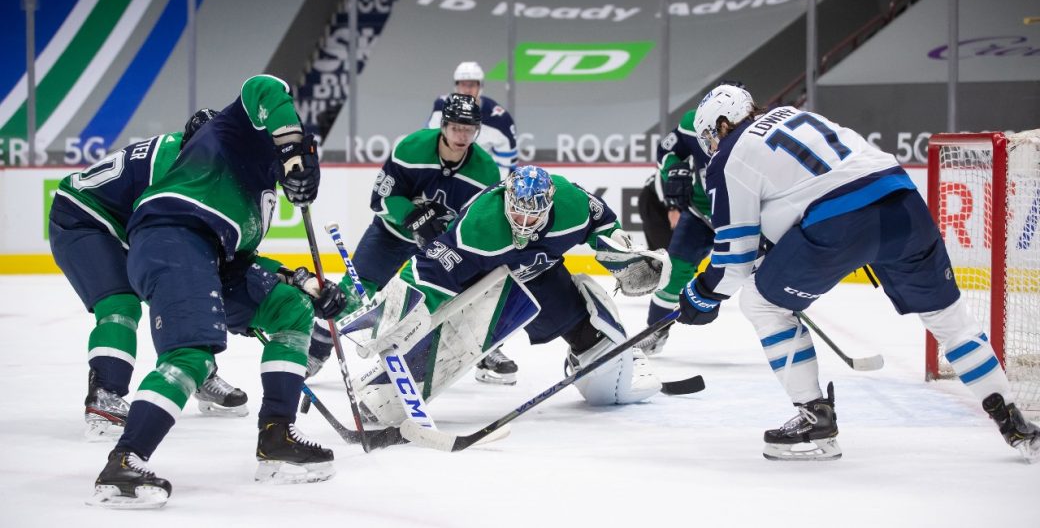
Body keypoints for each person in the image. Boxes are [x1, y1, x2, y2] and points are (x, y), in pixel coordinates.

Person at [676, 84, 1040, 462]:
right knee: (950, 320)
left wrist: (701, 293)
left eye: (709, 137)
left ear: (723, 123)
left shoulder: (730, 155)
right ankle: (1013, 422)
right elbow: (807, 187)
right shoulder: (800, 116)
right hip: (903, 203)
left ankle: (813, 416)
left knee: (761, 303)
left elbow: (734, 262)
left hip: (840, 223)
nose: (712, 146)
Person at [87, 75, 348, 509]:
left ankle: (277, 437)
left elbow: (243, 262)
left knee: (291, 311)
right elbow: (265, 86)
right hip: (172, 236)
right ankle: (122, 464)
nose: (300, 175)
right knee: (191, 353)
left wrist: (302, 281)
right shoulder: (239, 133)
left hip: (210, 255)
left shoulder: (258, 201)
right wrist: (290, 144)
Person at [349, 165, 667, 426]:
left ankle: (595, 350)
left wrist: (619, 250)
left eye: (533, 216)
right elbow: (429, 269)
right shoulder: (479, 226)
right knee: (449, 334)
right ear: (506, 199)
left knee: (610, 378)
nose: (524, 224)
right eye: (517, 214)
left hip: (541, 276)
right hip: (484, 284)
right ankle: (386, 387)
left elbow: (602, 221)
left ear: (551, 204)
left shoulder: (572, 202)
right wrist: (395, 312)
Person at [49, 109, 249, 441]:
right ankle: (105, 395)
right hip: (83, 218)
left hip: (127, 224)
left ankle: (200, 370)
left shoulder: (199, 162)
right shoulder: (171, 164)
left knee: (186, 286)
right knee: (121, 305)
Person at [306, 93, 512, 384]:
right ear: (443, 125)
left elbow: (478, 223)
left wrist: (448, 232)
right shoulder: (411, 149)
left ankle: (485, 351)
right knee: (352, 293)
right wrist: (412, 217)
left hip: (439, 248)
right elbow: (379, 199)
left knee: (471, 294)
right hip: (391, 236)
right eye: (456, 128)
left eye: (469, 129)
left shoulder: (486, 171)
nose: (462, 136)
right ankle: (315, 352)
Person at [636, 108, 715, 356]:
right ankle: (655, 330)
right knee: (673, 271)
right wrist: (673, 168)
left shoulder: (755, 130)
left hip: (745, 214)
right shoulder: (696, 122)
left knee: (765, 278)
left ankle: (783, 320)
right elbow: (668, 150)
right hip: (702, 212)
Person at [428, 61, 518, 177]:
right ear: (456, 86)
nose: (467, 90)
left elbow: (507, 166)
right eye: (463, 84)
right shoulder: (441, 107)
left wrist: (489, 189)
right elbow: (430, 145)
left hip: (480, 179)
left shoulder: (501, 120)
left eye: (472, 85)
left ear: (480, 86)